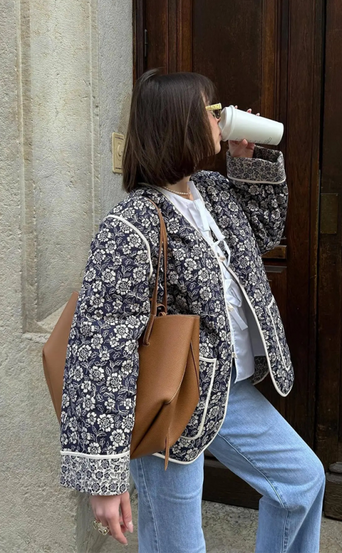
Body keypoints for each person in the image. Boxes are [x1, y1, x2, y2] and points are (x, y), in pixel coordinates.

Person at [60, 69, 325, 552]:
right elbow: (99, 348)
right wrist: (103, 476)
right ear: (178, 122)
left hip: (226, 390)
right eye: (210, 109)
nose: (221, 117)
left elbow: (264, 234)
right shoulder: (131, 225)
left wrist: (248, 163)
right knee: (179, 546)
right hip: (169, 402)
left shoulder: (213, 192)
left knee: (302, 483)